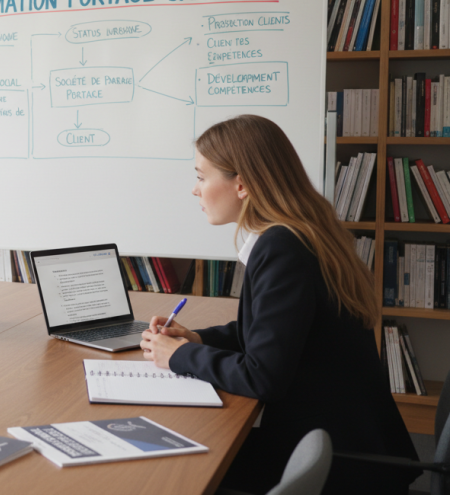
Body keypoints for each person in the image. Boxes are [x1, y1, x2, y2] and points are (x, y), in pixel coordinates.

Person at [140, 115, 419, 494]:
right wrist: (197, 340)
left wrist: (178, 356)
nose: (195, 190)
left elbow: (262, 376)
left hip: (334, 462)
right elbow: (266, 332)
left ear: (241, 184)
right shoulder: (302, 231)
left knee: (169, 470)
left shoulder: (280, 247)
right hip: (342, 437)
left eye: (202, 177)